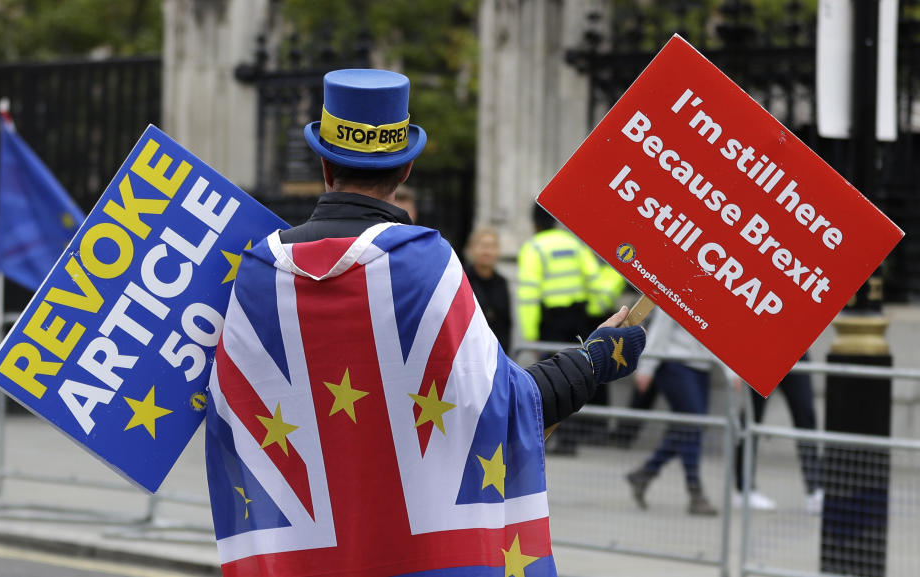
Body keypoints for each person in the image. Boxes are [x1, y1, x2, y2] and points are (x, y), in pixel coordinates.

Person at [206, 68, 646, 576]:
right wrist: (595, 360)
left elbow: (226, 417)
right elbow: (504, 408)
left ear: (324, 164)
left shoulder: (256, 274)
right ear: (406, 169)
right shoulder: (425, 263)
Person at [518, 205, 626, 454]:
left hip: (550, 323)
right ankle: (570, 438)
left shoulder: (534, 248)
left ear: (535, 224)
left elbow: (528, 296)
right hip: (577, 319)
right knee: (575, 374)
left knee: (552, 379)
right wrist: (598, 309)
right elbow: (595, 283)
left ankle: (550, 437)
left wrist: (531, 336)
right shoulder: (574, 245)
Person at [625, 309, 732, 516]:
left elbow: (719, 335)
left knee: (691, 427)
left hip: (700, 366)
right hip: (674, 363)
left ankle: (645, 473)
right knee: (692, 425)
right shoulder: (681, 289)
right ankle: (695, 492)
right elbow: (660, 330)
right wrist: (647, 367)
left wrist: (730, 370)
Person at [732, 353, 824, 513]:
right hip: (762, 353)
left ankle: (814, 489)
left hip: (795, 349)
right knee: (751, 417)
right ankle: (744, 488)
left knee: (805, 415)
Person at [463, 225, 512, 354]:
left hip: (496, 352)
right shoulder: (462, 280)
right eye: (483, 246)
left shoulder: (502, 282)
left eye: (492, 247)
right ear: (471, 249)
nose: (487, 251)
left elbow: (506, 323)